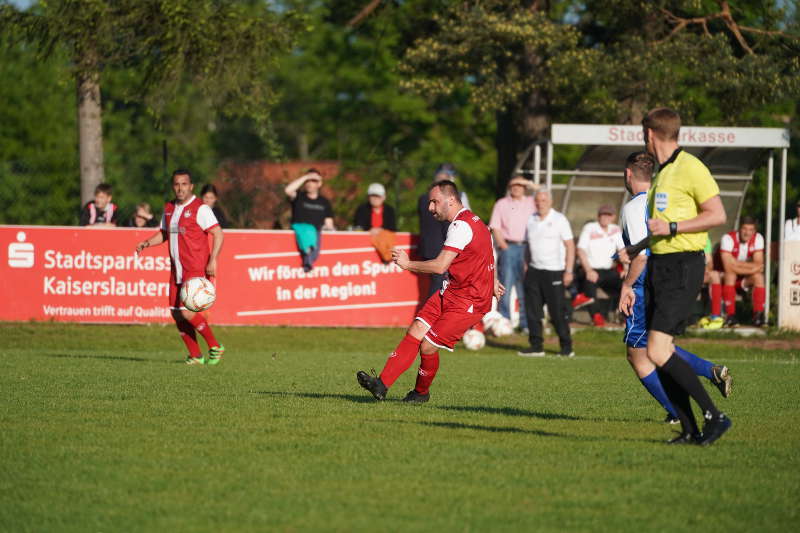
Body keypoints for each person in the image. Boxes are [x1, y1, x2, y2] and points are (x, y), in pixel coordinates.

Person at [356, 180, 503, 403]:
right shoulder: (475, 221)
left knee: (428, 346)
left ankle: (421, 393)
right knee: (416, 329)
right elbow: (486, 253)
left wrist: (407, 264)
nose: (430, 208)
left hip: (468, 301)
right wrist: (492, 282)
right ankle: (381, 384)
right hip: (453, 291)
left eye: (434, 202)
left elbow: (439, 266)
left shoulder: (460, 226)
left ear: (451, 200)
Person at [618, 151, 732, 427]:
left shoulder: (634, 207)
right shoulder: (661, 198)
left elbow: (641, 257)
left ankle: (681, 412)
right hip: (668, 277)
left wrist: (627, 285)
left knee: (639, 353)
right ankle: (710, 375)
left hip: (644, 284)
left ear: (628, 174)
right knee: (658, 345)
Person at [641, 107, 731, 445]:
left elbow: (716, 214)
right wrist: (636, 248)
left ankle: (715, 417)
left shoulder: (691, 167)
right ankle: (690, 429)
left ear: (650, 134)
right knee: (660, 351)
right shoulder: (663, 173)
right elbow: (661, 228)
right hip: (660, 265)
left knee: (658, 349)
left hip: (683, 265)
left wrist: (673, 227)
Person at [135, 169, 225, 365]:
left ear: (191, 186)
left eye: (184, 184)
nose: (180, 188)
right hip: (177, 268)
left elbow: (218, 233)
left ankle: (215, 346)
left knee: (187, 311)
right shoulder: (169, 208)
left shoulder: (201, 209)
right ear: (172, 186)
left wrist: (213, 260)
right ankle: (195, 355)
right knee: (176, 312)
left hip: (195, 267)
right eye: (176, 184)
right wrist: (147, 243)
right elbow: (164, 233)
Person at [518, 189, 575, 357]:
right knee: (532, 311)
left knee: (557, 312)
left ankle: (566, 347)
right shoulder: (531, 219)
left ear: (550, 202)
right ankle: (536, 346)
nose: (540, 203)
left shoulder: (559, 219)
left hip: (554, 272)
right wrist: (526, 265)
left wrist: (569, 271)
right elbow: (528, 246)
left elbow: (570, 246)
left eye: (543, 200)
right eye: (537, 200)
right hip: (534, 271)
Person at [489, 174, 537, 332]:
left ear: (525, 187)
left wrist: (527, 182)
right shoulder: (501, 203)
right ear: (509, 187)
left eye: (520, 185)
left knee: (525, 286)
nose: (517, 187)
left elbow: (544, 193)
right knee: (506, 284)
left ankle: (525, 323)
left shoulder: (531, 202)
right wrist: (504, 246)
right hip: (508, 247)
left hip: (526, 248)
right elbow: (495, 226)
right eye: (514, 185)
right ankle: (505, 321)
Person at [417, 163, 470, 297]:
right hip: (441, 248)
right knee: (439, 287)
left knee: (438, 284)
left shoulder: (423, 199)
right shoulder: (442, 202)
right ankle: (431, 317)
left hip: (428, 248)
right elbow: (448, 225)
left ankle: (431, 315)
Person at [573, 204, 625, 326]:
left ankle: (624, 316)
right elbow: (580, 250)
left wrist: (626, 268)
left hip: (608, 270)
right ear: (598, 216)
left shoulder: (615, 229)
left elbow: (623, 251)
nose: (605, 217)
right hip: (590, 268)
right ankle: (596, 316)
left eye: (609, 215)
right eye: (603, 214)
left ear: (613, 217)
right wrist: (589, 270)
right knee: (590, 282)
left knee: (627, 284)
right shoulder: (590, 228)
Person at [717, 216, 766, 327]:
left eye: (750, 230)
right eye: (744, 229)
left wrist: (736, 263)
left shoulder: (758, 238)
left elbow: (759, 264)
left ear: (754, 231)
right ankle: (730, 316)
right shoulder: (728, 238)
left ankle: (758, 316)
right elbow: (727, 267)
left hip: (742, 279)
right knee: (730, 275)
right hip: (723, 277)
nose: (747, 233)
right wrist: (750, 267)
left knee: (758, 277)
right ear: (739, 228)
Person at [284, 169, 335, 271]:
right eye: (308, 181)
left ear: (319, 184)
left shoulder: (324, 202)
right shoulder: (299, 197)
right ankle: (308, 259)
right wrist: (305, 177)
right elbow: (288, 190)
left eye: (313, 180)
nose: (310, 183)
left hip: (317, 235)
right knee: (308, 230)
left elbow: (329, 223)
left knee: (315, 233)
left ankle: (309, 259)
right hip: (300, 231)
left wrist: (329, 228)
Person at [697, 237, 724, 329]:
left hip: (699, 274)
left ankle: (715, 316)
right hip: (683, 274)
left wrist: (706, 270)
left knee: (715, 275)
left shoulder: (705, 239)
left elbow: (709, 263)